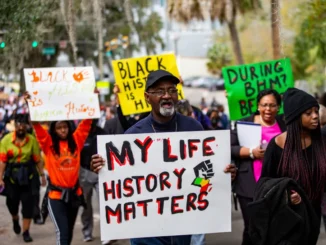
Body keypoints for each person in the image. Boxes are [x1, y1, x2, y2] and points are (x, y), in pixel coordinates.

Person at [91, 70, 237, 245]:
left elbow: (202, 174)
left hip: (182, 225)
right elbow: (124, 181)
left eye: (172, 90)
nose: (167, 96)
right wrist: (104, 168)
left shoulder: (193, 128)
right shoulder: (132, 135)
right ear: (147, 96)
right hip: (146, 231)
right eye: (159, 91)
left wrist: (221, 175)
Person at [24, 91, 93, 245]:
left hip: (74, 196)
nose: (62, 130)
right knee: (62, 233)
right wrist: (30, 104)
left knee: (68, 236)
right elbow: (35, 124)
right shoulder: (48, 144)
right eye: (59, 128)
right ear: (54, 130)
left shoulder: (76, 141)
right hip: (56, 197)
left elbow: (87, 121)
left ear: (69, 127)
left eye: (65, 127)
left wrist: (92, 97)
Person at [261, 88, 326, 243]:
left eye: (316, 111)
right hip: (285, 217)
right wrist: (286, 195)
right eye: (308, 113)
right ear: (295, 117)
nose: (315, 116)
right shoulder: (277, 145)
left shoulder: (322, 140)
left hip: (312, 215)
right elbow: (265, 182)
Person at [231, 89, 286, 245]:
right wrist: (251, 152)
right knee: (252, 228)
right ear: (258, 105)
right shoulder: (245, 122)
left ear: (278, 107)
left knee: (274, 228)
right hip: (249, 186)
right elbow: (230, 147)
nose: (268, 109)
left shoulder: (285, 124)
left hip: (276, 186)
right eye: (264, 105)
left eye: (272, 105)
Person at [0, 113, 45, 242]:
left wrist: (42, 175)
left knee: (28, 205)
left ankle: (26, 231)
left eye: (23, 125)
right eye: (18, 125)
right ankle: (15, 220)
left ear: (26, 126)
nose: (20, 128)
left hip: (29, 177)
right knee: (11, 203)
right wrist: (0, 178)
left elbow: (38, 159)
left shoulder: (32, 140)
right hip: (12, 178)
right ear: (14, 125)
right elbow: (2, 161)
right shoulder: (6, 140)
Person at [79, 119, 107, 242]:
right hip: (84, 173)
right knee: (86, 205)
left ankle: (108, 234)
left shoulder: (102, 133)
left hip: (100, 172)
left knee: (105, 203)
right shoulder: (79, 134)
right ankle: (87, 232)